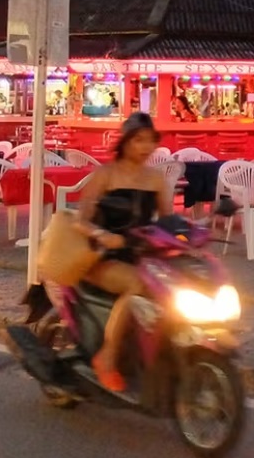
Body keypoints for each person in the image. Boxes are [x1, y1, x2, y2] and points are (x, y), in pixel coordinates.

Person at [73, 112, 174, 392]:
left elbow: (170, 221)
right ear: (125, 142)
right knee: (138, 285)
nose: (145, 147)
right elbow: (80, 221)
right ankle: (106, 357)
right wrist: (104, 235)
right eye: (138, 140)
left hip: (141, 255)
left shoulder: (155, 179)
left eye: (150, 141)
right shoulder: (105, 174)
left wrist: (196, 231)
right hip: (103, 256)